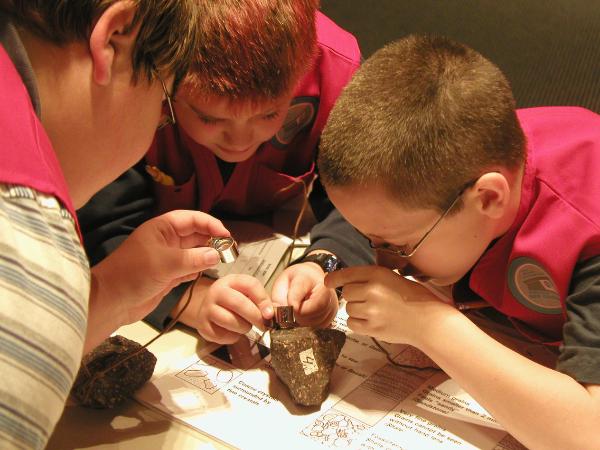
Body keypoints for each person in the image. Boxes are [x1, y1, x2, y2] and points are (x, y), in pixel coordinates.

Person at [312, 34, 600, 449]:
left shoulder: (586, 221)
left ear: (488, 198)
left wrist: (428, 324)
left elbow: (586, 437)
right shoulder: (461, 154)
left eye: (399, 245)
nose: (387, 262)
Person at [0, 1, 231, 448]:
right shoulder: (27, 237)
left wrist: (108, 295)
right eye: (164, 102)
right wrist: (55, 291)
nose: (153, 129)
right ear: (115, 37)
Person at [78, 0, 373, 345]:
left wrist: (323, 266)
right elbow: (106, 228)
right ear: (166, 83)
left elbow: (364, 202)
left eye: (269, 115)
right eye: (209, 118)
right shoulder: (141, 72)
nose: (240, 141)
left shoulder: (335, 71)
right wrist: (195, 300)